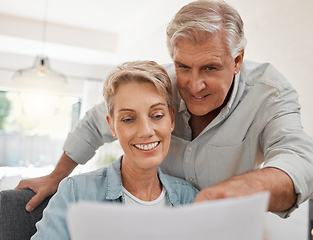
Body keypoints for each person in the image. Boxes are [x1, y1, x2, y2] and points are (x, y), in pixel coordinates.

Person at [17, 0, 313, 218]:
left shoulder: (269, 92)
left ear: (237, 60)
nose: (193, 85)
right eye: (183, 66)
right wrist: (56, 176)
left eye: (211, 68)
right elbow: (96, 124)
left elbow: (299, 161)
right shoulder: (162, 85)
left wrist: (237, 191)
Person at [30, 61, 199, 239]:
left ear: (171, 119)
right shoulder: (76, 193)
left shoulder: (189, 198)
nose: (146, 131)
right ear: (112, 126)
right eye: (128, 119)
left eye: (157, 116)